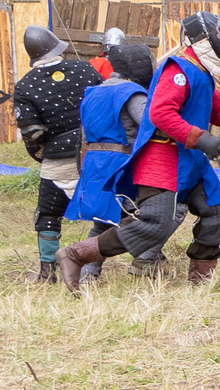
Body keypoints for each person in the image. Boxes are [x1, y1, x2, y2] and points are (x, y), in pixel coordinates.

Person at [54, 13, 220, 286]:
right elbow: (160, 113)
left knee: (215, 213)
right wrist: (199, 138)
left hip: (191, 162)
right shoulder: (178, 69)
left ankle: (200, 286)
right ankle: (76, 255)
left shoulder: (201, 72)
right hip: (164, 159)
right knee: (154, 224)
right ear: (203, 39)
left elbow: (216, 110)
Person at [56, 42, 155, 288]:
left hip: (95, 163)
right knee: (156, 214)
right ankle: (145, 262)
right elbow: (151, 124)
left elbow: (83, 136)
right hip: (123, 164)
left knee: (103, 220)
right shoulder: (131, 92)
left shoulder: (93, 92)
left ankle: (87, 274)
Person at [10, 25, 93, 284]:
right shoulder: (86, 70)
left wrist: (41, 153)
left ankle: (48, 273)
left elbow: (32, 134)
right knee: (114, 209)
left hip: (58, 159)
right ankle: (104, 264)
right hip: (97, 155)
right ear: (56, 46)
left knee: (47, 215)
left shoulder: (25, 86)